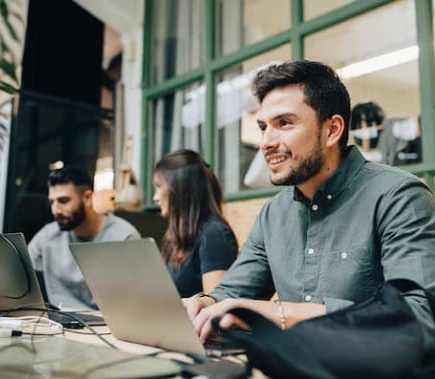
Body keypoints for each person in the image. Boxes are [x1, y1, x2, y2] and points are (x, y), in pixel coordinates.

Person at [184, 60, 435, 353]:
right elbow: (233, 291)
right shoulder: (272, 214)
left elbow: (420, 320)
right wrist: (206, 303)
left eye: (284, 123)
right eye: (263, 127)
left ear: (332, 130)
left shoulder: (397, 195)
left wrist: (282, 314)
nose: (265, 141)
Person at [28, 165, 141, 310]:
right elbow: (19, 278)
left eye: (63, 201)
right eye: (52, 202)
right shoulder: (47, 236)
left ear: (87, 198)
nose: (55, 210)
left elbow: (139, 301)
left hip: (106, 328)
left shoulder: (124, 237)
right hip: (57, 324)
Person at [153, 149, 238, 298]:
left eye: (159, 187)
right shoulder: (175, 238)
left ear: (179, 188)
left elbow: (215, 307)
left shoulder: (214, 235)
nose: (155, 197)